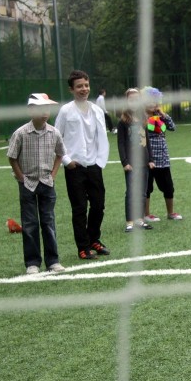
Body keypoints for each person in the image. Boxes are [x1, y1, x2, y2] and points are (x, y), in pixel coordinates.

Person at [54, 69, 111, 260]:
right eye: (79, 86)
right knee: (79, 209)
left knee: (98, 205)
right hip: (75, 167)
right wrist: (67, 161)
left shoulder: (96, 110)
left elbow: (101, 136)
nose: (83, 89)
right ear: (71, 89)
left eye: (86, 85)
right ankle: (83, 247)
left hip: (94, 165)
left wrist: (100, 161)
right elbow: (56, 138)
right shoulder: (65, 111)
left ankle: (94, 239)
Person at [7, 93, 66, 274]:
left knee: (48, 221)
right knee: (30, 223)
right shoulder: (21, 133)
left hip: (47, 183)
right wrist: (21, 178)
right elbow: (12, 157)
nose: (45, 112)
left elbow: (60, 153)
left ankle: (53, 261)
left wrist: (54, 174)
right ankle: (32, 263)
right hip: (27, 184)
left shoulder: (54, 132)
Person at [142, 87, 183, 222]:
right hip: (149, 158)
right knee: (147, 187)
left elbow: (172, 127)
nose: (153, 105)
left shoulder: (160, 117)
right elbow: (141, 137)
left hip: (163, 157)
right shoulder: (141, 118)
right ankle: (146, 214)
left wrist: (163, 115)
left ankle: (170, 213)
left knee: (168, 187)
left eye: (155, 102)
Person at [117, 88, 154, 232]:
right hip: (131, 163)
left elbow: (147, 140)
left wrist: (150, 159)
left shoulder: (144, 118)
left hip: (144, 162)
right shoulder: (123, 121)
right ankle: (130, 222)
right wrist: (125, 162)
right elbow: (120, 143)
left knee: (143, 192)